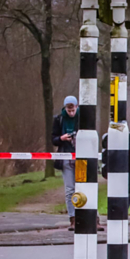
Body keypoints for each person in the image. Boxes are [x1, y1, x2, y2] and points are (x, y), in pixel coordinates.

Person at [51, 96, 78, 230]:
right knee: (69, 190)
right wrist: (61, 138)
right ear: (65, 108)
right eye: (69, 110)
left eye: (73, 110)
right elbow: (53, 139)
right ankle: (72, 218)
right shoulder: (59, 119)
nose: (71, 112)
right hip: (66, 156)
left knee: (87, 188)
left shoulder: (83, 118)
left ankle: (92, 218)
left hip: (81, 156)